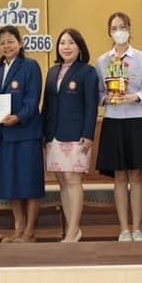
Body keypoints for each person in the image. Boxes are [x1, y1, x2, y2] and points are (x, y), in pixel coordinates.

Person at [96, 12, 142, 242]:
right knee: (119, 176)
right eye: (114, 28)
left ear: (130, 29)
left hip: (137, 119)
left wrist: (135, 97)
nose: (119, 31)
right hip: (114, 120)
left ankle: (137, 228)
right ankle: (124, 229)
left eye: (122, 27)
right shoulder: (102, 61)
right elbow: (98, 94)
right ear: (109, 32)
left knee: (136, 176)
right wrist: (107, 99)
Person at [43, 29, 98, 243]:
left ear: (80, 46)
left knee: (72, 179)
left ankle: (73, 230)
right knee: (62, 182)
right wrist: (44, 134)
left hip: (77, 135)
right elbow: (47, 106)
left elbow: (91, 106)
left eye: (71, 42)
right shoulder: (52, 71)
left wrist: (88, 134)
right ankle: (72, 230)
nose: (66, 47)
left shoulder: (87, 71)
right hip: (53, 135)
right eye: (62, 42)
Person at [0, 25, 44, 243]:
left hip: (26, 133)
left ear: (20, 44)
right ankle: (19, 229)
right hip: (4, 136)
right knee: (10, 184)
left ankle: (30, 232)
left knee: (30, 183)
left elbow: (33, 100)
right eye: (2, 42)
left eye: (11, 41)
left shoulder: (30, 66)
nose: (6, 46)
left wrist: (18, 117)